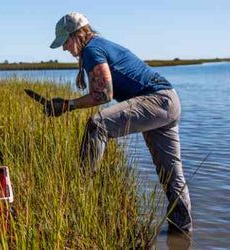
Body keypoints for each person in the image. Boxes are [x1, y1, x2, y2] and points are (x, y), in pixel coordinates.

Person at [46, 12, 192, 233]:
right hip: (169, 101)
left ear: (76, 35)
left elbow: (104, 94)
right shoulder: (97, 46)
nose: (65, 48)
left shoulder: (93, 49)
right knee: (171, 173)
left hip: (157, 100)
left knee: (98, 124)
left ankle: (82, 191)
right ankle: (182, 232)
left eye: (65, 42)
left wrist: (67, 105)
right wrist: (68, 105)